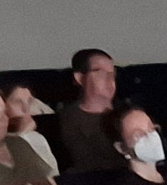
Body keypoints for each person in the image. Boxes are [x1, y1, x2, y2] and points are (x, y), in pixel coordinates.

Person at [49, 48, 121, 176]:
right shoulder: (69, 119)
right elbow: (86, 164)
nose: (109, 79)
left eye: (112, 73)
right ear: (80, 78)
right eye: (100, 73)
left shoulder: (127, 112)